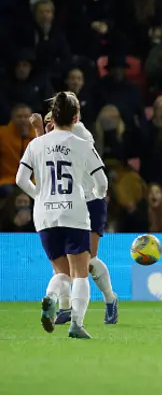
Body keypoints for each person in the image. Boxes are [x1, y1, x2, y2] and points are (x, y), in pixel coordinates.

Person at [15, 92, 109, 339]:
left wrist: (40, 195)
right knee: (79, 273)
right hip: (74, 212)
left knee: (61, 272)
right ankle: (76, 324)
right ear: (76, 117)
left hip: (44, 215)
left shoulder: (36, 144)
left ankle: (50, 297)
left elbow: (20, 179)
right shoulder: (83, 144)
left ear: (51, 118)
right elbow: (102, 182)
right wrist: (96, 194)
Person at [30, 105, 119, 326]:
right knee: (61, 265)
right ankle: (65, 309)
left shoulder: (79, 133)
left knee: (86, 260)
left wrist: (39, 130)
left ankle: (110, 299)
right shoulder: (59, 136)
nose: (51, 125)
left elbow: (49, 147)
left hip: (90, 201)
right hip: (66, 203)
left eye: (53, 121)